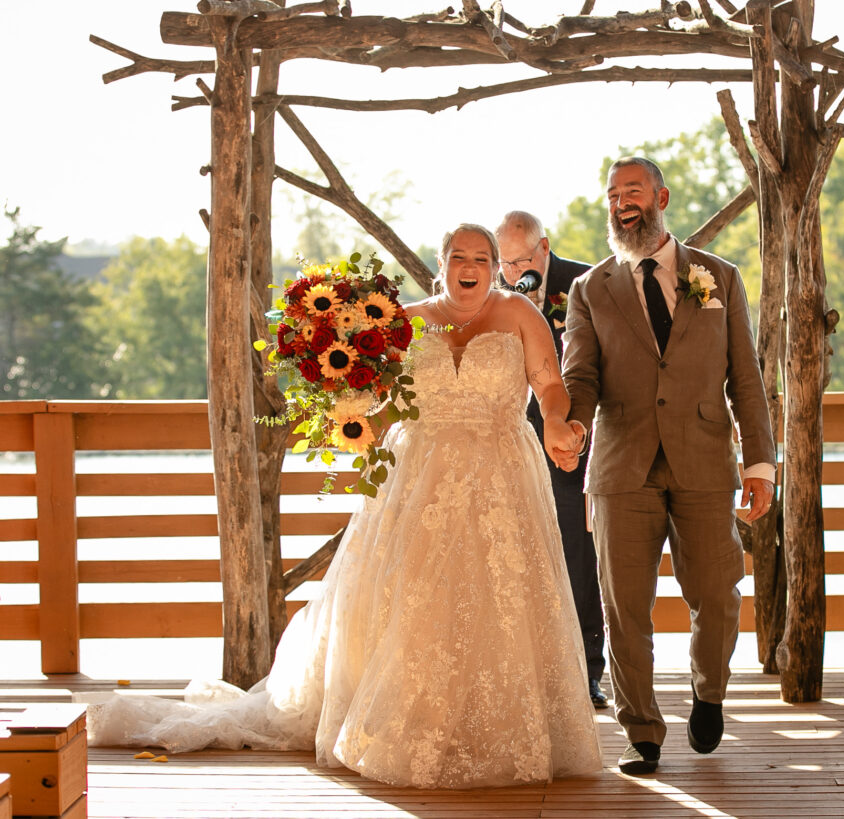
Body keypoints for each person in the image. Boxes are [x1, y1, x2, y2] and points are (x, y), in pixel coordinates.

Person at [82, 223, 602, 789]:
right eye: (459, 256)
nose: (469, 266)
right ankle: (413, 719)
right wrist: (351, 414)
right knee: (416, 596)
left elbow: (549, 384)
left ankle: (499, 723)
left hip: (502, 470)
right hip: (418, 473)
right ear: (442, 261)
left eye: (482, 257)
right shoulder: (405, 320)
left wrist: (555, 421)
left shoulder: (520, 314)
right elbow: (383, 407)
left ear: (497, 264)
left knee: (497, 593)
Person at [557, 157, 776, 775]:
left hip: (706, 461)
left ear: (661, 197)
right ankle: (642, 731)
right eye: (612, 194)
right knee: (624, 607)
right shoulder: (590, 289)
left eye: (633, 191)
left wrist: (760, 464)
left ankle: (709, 692)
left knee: (718, 594)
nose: (621, 202)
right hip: (621, 465)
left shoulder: (720, 278)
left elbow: (746, 377)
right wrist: (569, 424)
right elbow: (581, 375)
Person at [495, 210, 608, 709]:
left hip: (571, 447)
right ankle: (522, 675)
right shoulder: (492, 296)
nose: (516, 270)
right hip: (503, 448)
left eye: (523, 257)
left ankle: (587, 673)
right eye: (506, 261)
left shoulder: (585, 284)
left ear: (545, 247)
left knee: (578, 558)